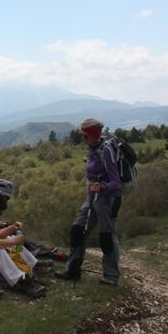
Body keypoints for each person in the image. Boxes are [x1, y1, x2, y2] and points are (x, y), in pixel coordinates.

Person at [55, 118, 121, 285]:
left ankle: (111, 276)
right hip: (91, 200)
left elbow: (115, 182)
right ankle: (72, 271)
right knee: (77, 230)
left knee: (107, 236)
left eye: (84, 136)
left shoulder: (106, 151)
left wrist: (102, 187)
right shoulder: (93, 148)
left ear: (92, 135)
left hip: (107, 201)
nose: (82, 139)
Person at [0, 179, 61, 262]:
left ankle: (38, 249)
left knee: (15, 232)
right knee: (14, 235)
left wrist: (4, 225)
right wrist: (11, 228)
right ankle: (36, 251)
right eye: (5, 198)